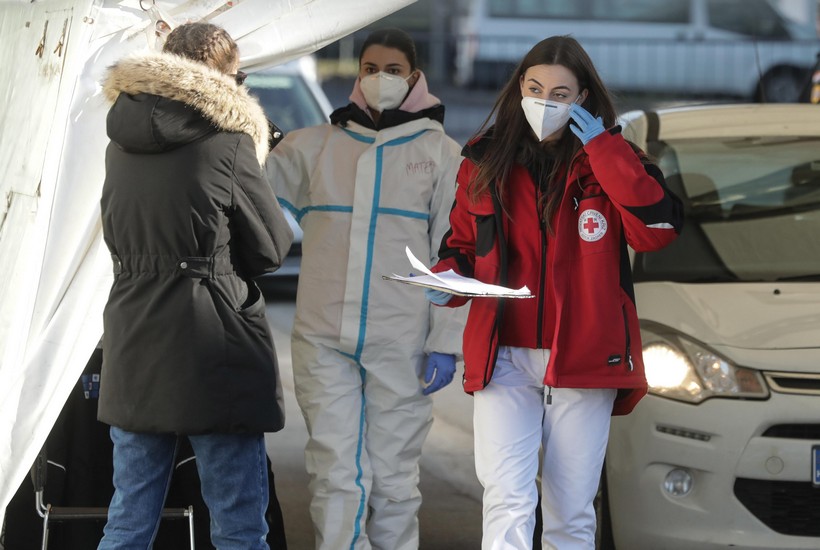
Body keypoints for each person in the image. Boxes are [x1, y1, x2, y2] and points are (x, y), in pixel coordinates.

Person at [425, 35, 684, 549]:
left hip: (583, 353)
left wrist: (605, 150)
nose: (545, 101)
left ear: (582, 98)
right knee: (507, 498)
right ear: (519, 87)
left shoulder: (614, 158)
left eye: (560, 93)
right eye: (535, 87)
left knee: (570, 508)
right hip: (503, 351)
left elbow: (656, 229)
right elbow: (461, 246)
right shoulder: (483, 158)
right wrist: (443, 280)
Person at [265, 27, 465, 550]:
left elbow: (455, 254)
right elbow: (256, 201)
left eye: (393, 70)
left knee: (395, 475)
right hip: (323, 335)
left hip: (400, 337)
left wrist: (446, 340)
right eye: (370, 69)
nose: (380, 79)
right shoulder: (315, 147)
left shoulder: (443, 156)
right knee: (333, 470)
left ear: (414, 77)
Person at [97, 21, 293, 549]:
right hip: (215, 345)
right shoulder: (227, 144)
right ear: (228, 78)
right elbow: (271, 248)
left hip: (134, 335)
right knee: (237, 524)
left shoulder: (120, 142)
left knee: (128, 519)